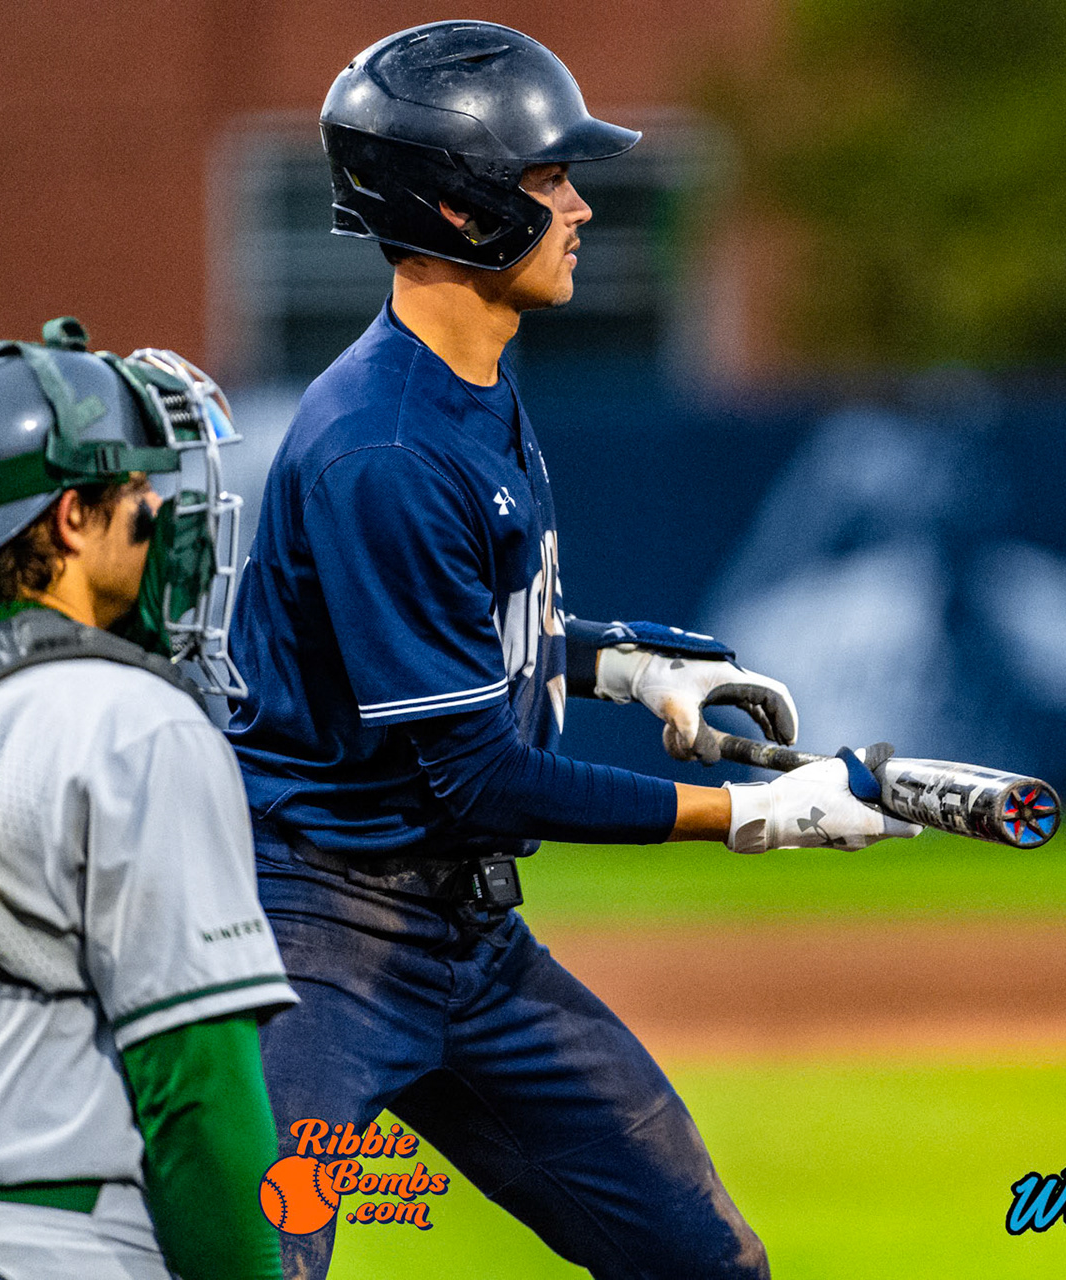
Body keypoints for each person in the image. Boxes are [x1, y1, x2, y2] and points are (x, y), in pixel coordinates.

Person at [226, 21, 922, 1280]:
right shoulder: (385, 444)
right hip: (320, 943)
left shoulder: (466, 383)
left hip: (470, 936)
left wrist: (629, 667)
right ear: (461, 204)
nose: (580, 205)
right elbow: (474, 772)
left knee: (708, 1266)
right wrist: (753, 812)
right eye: (549, 179)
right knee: (255, 1268)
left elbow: (485, 636)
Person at [0, 321, 293, 1280]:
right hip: (46, 1246)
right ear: (70, 521)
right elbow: (199, 1099)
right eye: (136, 488)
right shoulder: (131, 723)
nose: (162, 512)